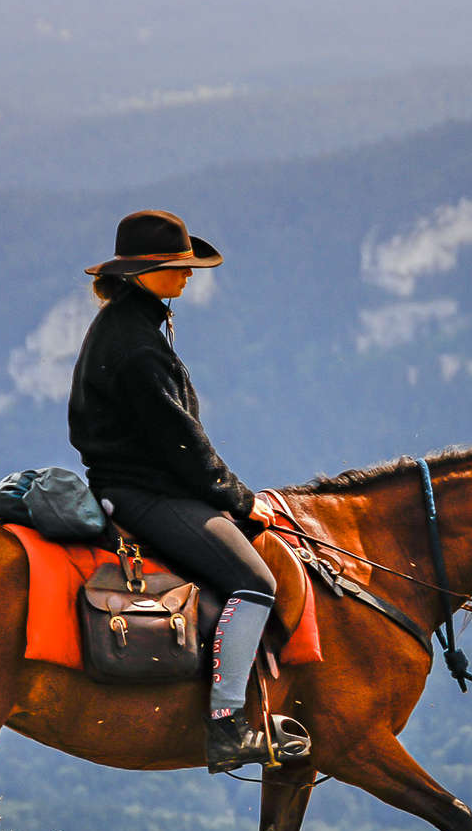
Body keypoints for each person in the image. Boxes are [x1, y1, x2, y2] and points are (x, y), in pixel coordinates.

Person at [70, 209, 305, 772]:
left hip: (140, 484)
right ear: (145, 271)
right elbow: (181, 445)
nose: (189, 275)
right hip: (144, 493)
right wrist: (242, 500)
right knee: (254, 582)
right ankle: (227, 726)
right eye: (178, 265)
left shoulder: (133, 324)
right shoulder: (137, 344)